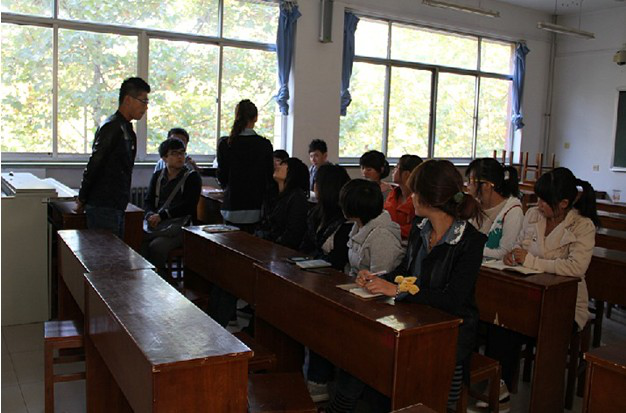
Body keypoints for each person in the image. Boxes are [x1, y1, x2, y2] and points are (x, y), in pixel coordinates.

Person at [355, 160, 486, 411]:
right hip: (414, 322)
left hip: (451, 336)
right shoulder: (420, 228)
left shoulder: (470, 241)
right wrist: (378, 278)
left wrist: (398, 291)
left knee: (433, 402)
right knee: (380, 377)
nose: (411, 197)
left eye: (415, 192)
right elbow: (406, 271)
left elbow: (452, 300)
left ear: (431, 197)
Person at [481, 167, 598, 410]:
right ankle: (499, 388)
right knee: (500, 324)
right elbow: (520, 245)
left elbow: (575, 267)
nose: (539, 205)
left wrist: (531, 261)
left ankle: (544, 399)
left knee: (544, 332)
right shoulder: (534, 214)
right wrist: (513, 256)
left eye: (546, 201)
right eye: (539, 198)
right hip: (529, 295)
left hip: (565, 304)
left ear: (564, 203)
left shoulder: (582, 226)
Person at [324, 179, 404, 413]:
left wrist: (363, 281)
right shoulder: (359, 227)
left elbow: (383, 278)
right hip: (360, 296)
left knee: (354, 343)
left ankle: (343, 404)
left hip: (382, 306)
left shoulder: (382, 235)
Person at [299, 164, 352, 403]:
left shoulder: (346, 221)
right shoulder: (316, 213)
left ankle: (318, 380)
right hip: (314, 276)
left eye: (317, 183)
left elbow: (337, 261)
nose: (314, 187)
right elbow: (305, 246)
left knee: (319, 317)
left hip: (335, 284)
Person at [75, 77, 151, 238]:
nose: (145, 107)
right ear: (128, 100)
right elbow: (95, 164)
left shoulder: (126, 128)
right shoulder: (112, 126)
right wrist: (82, 198)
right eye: (143, 101)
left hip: (116, 205)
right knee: (104, 252)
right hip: (103, 205)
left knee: (115, 251)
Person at [142, 138, 201, 276]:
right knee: (137, 242)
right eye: (174, 153)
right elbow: (148, 200)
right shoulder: (158, 175)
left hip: (181, 226)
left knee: (157, 246)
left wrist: (162, 215)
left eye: (182, 153)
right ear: (164, 158)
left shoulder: (192, 177)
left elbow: (188, 206)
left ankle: (160, 279)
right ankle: (145, 277)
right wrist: (150, 215)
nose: (180, 157)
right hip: (158, 223)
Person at [216, 99, 274, 232]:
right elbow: (269, 177)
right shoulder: (264, 145)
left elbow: (222, 175)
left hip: (232, 205)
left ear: (236, 117)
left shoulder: (226, 144)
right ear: (256, 118)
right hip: (256, 207)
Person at [465, 158, 523, 260]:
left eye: (471, 181)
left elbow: (504, 252)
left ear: (487, 185)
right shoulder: (473, 205)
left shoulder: (513, 211)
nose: (467, 185)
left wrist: (467, 248)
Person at [255, 157, 310, 249]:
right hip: (268, 243)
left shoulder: (297, 197)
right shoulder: (273, 194)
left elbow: (293, 234)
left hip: (281, 248)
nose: (278, 166)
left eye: (283, 164)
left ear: (293, 171)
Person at [384, 154, 423, 240]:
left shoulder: (419, 201)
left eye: (397, 167)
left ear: (406, 174)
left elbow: (415, 229)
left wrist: (389, 229)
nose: (393, 170)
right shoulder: (393, 194)